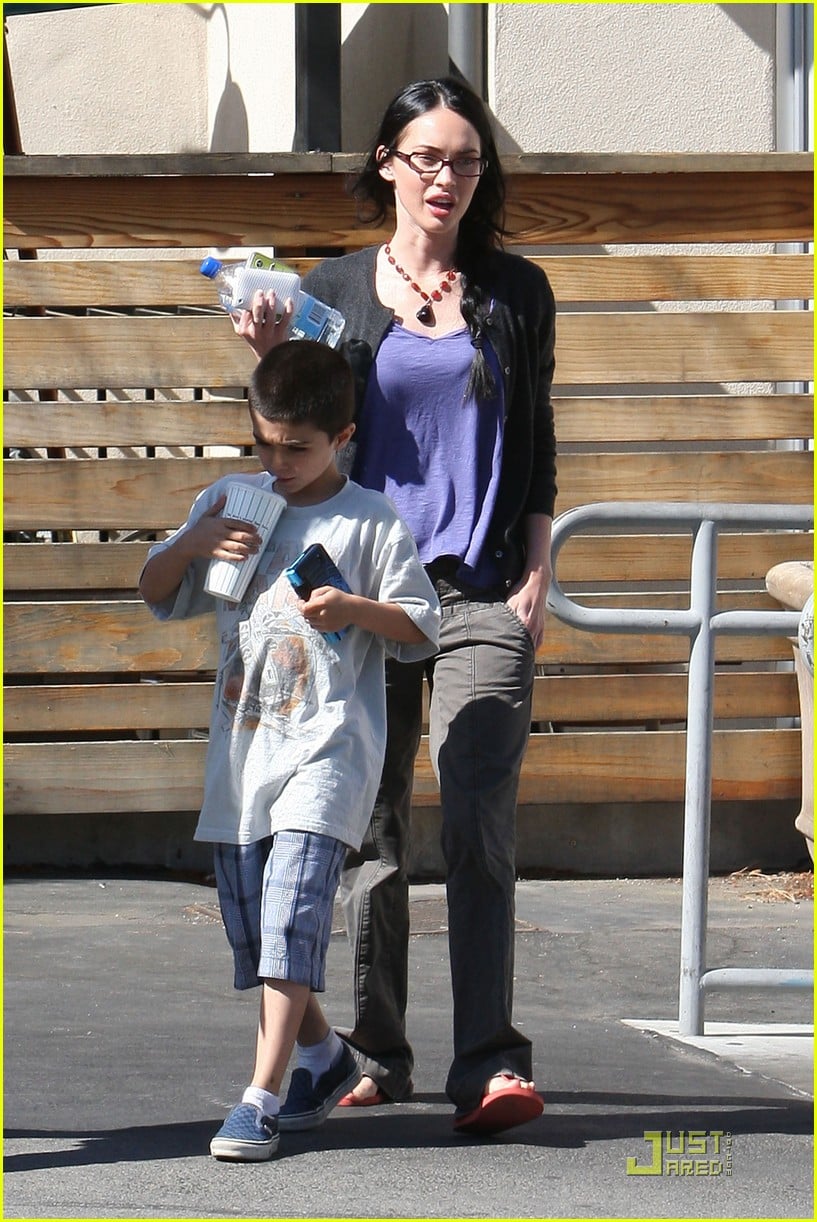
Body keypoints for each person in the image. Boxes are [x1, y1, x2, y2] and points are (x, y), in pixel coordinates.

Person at [234, 75, 557, 1137]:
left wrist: (537, 566)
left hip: (478, 591)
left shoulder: (515, 291)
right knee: (368, 826)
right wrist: (271, 354)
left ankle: (490, 1062)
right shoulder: (334, 287)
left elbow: (538, 438)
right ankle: (378, 1051)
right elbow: (294, 429)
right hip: (362, 589)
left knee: (475, 811)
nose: (445, 178)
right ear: (386, 163)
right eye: (426, 157)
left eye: (465, 160)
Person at [138, 341, 440, 1161]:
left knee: (293, 914)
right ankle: (324, 1055)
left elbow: (421, 628)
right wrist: (194, 543)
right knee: (259, 939)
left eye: (296, 448)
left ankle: (259, 1098)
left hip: (329, 750)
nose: (277, 463)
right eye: (263, 443)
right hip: (243, 759)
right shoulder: (231, 500)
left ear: (342, 437)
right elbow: (155, 589)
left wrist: (354, 608)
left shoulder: (369, 519)